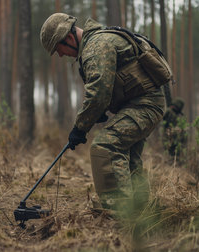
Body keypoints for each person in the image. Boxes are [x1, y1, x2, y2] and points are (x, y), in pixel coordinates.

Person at [40, 13, 166, 211]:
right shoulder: (97, 42)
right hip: (142, 104)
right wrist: (98, 112)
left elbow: (99, 93)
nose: (62, 55)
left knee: (105, 147)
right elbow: (108, 87)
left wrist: (80, 128)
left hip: (145, 105)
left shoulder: (96, 47)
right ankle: (141, 212)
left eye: (59, 49)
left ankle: (117, 209)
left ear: (69, 38)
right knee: (129, 156)